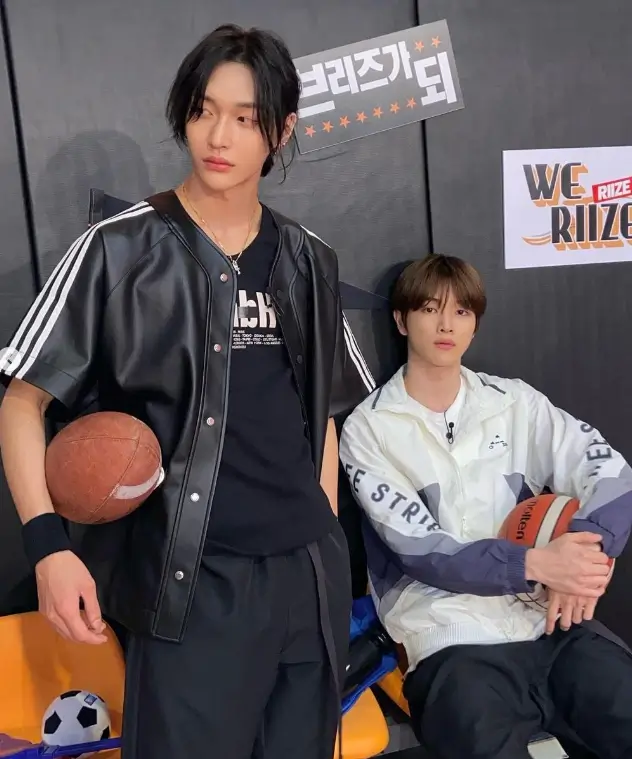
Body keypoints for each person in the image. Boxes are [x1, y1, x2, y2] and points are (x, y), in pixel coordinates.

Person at [0, 25, 375, 759]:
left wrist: (327, 540)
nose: (218, 136)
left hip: (308, 580)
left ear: (282, 131)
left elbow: (322, 419)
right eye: (204, 111)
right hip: (195, 586)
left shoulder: (310, 259)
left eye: (245, 118)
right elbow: (22, 401)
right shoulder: (118, 247)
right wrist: (48, 547)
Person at [339, 253, 632, 759]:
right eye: (430, 309)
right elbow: (423, 550)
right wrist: (536, 564)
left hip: (549, 624)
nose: (447, 325)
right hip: (449, 641)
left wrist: (586, 554)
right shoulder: (369, 428)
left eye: (462, 312)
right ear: (401, 320)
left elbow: (612, 475)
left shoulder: (515, 402)